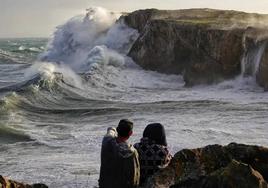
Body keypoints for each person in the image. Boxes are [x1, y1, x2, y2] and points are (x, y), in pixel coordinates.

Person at [99, 119, 140, 188]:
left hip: (105, 185)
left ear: (117, 130)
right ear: (131, 133)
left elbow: (110, 131)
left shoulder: (106, 141)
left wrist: (113, 129)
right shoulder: (132, 152)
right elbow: (135, 175)